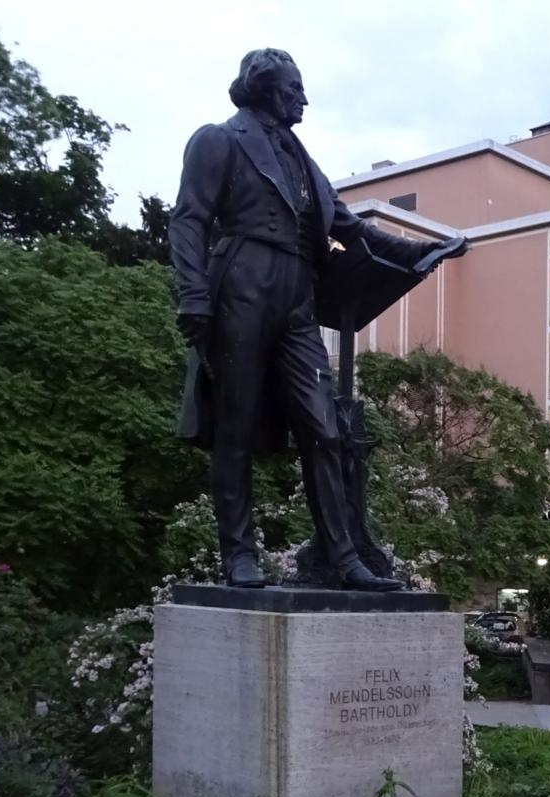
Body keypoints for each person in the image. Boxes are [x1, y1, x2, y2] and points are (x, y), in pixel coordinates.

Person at [169, 49, 456, 591]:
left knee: (325, 427)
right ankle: (239, 555)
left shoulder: (304, 160)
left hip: (296, 296)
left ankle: (343, 556)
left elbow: (350, 227)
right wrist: (194, 295)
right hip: (241, 282)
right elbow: (187, 220)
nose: (304, 98)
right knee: (234, 424)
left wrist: (424, 251)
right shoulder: (219, 139)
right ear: (265, 88)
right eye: (295, 87)